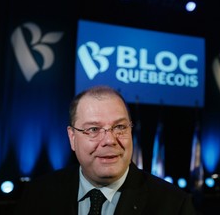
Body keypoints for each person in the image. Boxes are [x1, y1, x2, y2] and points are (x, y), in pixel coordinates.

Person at [14, 85, 197, 215]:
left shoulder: (174, 205)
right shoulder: (38, 195)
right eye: (93, 129)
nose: (110, 140)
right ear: (72, 137)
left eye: (120, 127)